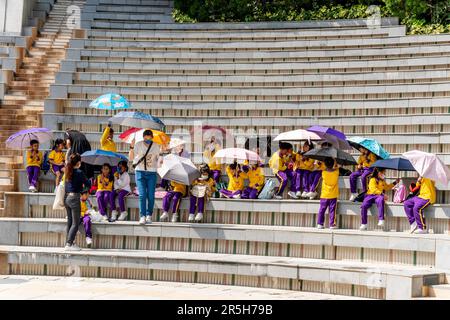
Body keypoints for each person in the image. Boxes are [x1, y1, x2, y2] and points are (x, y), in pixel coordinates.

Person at [130, 129, 162, 225]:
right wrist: (131, 146)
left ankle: (149, 215)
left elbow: (159, 160)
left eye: (149, 138)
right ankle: (142, 216)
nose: (147, 139)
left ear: (152, 137)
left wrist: (162, 153)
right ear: (143, 137)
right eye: (145, 138)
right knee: (142, 195)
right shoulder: (138, 144)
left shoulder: (156, 146)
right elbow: (131, 158)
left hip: (151, 172)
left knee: (151, 195)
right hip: (140, 171)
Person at [64, 153, 90, 251]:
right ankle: (69, 244)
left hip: (66, 197)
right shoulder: (79, 172)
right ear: (78, 162)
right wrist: (84, 190)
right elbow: (88, 183)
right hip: (74, 198)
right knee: (75, 223)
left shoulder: (67, 171)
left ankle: (71, 242)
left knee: (70, 222)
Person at [317, 158, 339, 229]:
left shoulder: (323, 172)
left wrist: (319, 163)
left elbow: (320, 167)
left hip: (324, 195)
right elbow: (336, 167)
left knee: (322, 210)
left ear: (325, 164)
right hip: (333, 195)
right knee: (332, 210)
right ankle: (332, 224)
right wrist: (335, 161)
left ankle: (320, 224)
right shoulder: (336, 172)